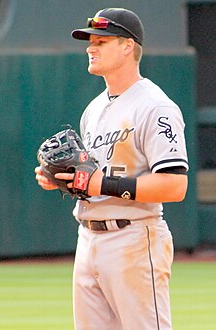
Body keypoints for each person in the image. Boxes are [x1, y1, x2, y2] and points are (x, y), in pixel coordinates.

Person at [35, 8, 188, 330]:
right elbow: (92, 177)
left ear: (127, 46)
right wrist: (62, 180)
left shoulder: (155, 106)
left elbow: (174, 186)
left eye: (102, 41)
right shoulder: (95, 108)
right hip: (88, 237)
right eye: (90, 41)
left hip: (134, 237)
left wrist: (98, 184)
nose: (91, 47)